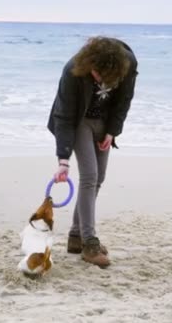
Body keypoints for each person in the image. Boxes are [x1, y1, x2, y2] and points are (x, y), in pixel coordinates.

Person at [47, 36, 138, 268]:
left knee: (100, 178)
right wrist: (63, 160)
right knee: (89, 176)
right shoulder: (73, 71)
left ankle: (75, 237)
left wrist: (112, 132)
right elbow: (64, 116)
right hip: (78, 121)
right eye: (98, 75)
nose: (101, 80)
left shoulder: (127, 64)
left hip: (104, 121)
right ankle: (89, 243)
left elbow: (124, 100)